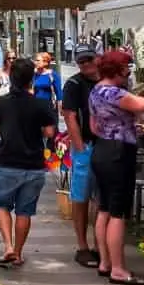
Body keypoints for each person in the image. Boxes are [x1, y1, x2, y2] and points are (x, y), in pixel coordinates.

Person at [89, 50, 144, 285]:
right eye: (126, 67)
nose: (129, 71)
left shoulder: (95, 91)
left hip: (102, 150)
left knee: (104, 207)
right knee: (118, 212)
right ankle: (118, 269)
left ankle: (105, 263)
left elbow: (95, 126)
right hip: (118, 153)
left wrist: (125, 127)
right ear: (117, 69)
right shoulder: (115, 93)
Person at [0, 57, 57, 269]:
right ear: (31, 79)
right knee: (24, 211)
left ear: (11, 77)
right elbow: (50, 132)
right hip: (34, 165)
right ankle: (18, 252)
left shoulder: (1, 103)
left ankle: (7, 246)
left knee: (2, 205)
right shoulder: (41, 104)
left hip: (8, 162)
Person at [60, 44, 101, 267]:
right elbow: (69, 115)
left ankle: (99, 244)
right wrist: (79, 146)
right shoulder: (74, 84)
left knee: (99, 197)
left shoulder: (106, 81)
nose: (85, 64)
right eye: (81, 61)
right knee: (80, 196)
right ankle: (82, 246)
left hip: (104, 146)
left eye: (88, 59)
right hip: (85, 145)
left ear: (97, 58)